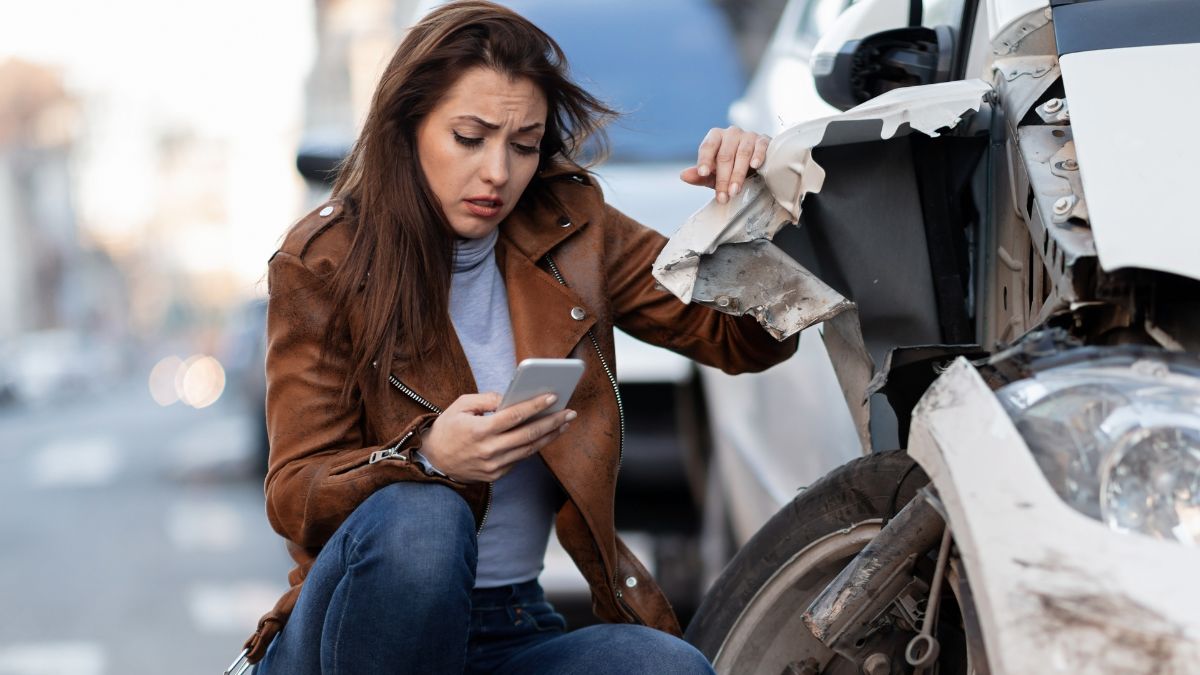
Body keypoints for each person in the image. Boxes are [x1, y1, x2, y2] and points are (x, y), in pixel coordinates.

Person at [242, 2, 797, 672]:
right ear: (407, 129)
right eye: (469, 138)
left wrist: (749, 212)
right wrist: (427, 458)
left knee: (667, 667)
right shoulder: (325, 259)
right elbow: (294, 493)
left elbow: (743, 340)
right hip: (354, 632)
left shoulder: (571, 227)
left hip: (510, 624)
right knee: (426, 520)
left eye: (524, 145)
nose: (498, 173)